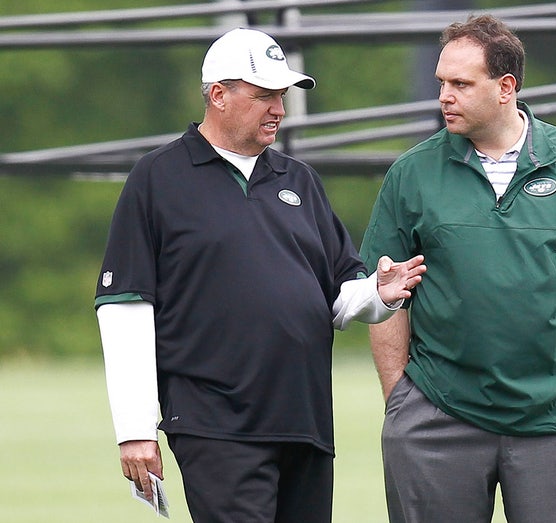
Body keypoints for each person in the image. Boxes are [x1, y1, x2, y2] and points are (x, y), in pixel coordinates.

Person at [94, 27, 426, 523]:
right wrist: (134, 429)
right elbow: (125, 306)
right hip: (215, 425)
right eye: (264, 95)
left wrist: (380, 294)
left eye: (282, 95)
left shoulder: (299, 180)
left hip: (305, 421)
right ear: (218, 95)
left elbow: (339, 294)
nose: (279, 109)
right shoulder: (157, 178)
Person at [359, 14, 556, 523]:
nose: (444, 95)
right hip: (438, 414)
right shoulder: (411, 173)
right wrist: (401, 401)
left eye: (461, 83)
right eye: (441, 82)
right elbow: (385, 295)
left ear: (506, 87)